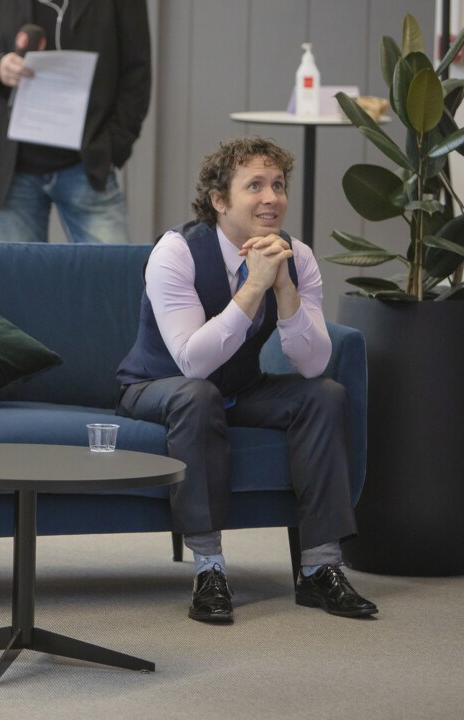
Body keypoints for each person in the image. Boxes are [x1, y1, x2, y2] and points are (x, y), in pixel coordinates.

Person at [114, 137, 377, 623]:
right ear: (219, 200)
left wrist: (284, 287)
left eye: (278, 185)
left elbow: (314, 363)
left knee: (323, 395)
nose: (271, 197)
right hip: (159, 386)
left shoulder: (296, 256)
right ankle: (209, 570)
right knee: (198, 394)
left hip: (240, 388)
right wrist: (255, 286)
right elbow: (193, 362)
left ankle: (320, 569)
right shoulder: (177, 252)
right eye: (254, 185)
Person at [0, 0, 151, 244]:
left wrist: (114, 145)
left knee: (112, 276)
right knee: (18, 280)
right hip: (13, 169)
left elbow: (137, 72)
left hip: (88, 163)